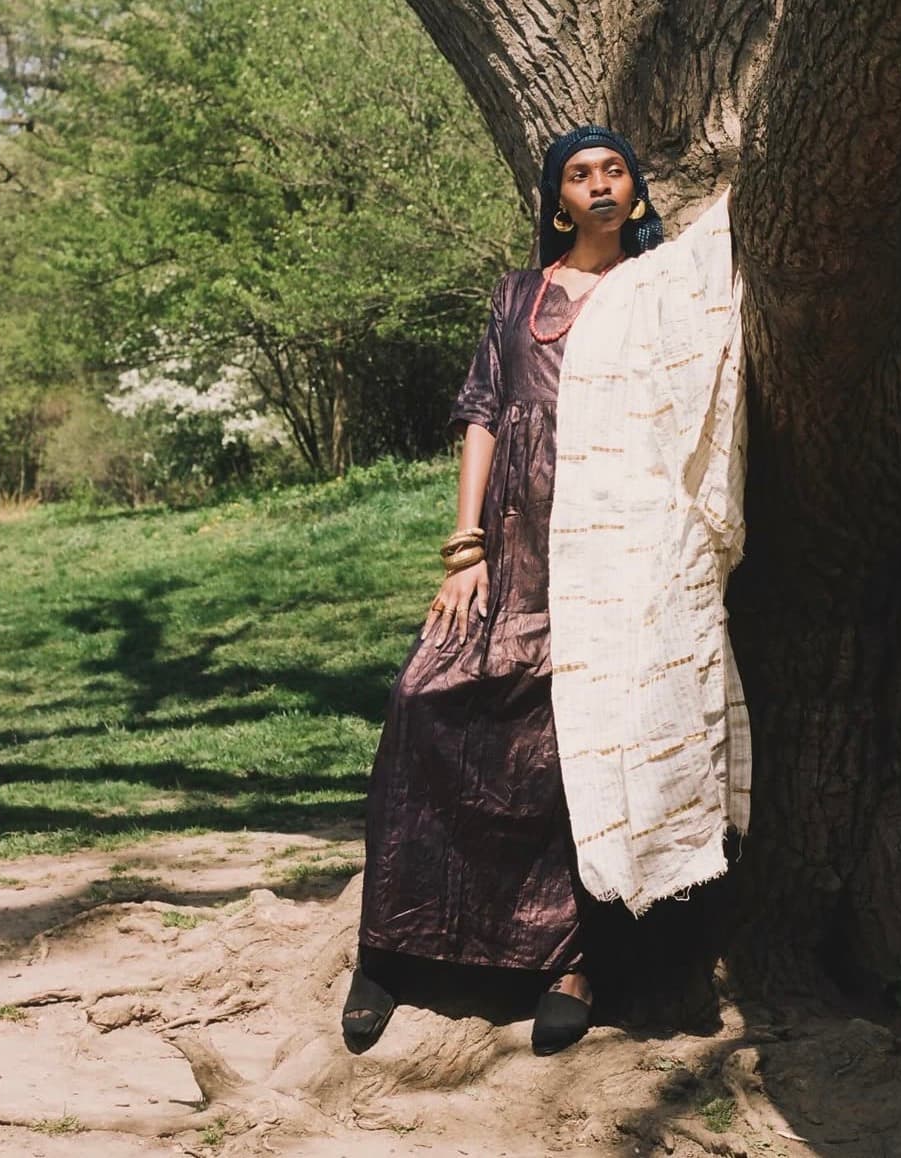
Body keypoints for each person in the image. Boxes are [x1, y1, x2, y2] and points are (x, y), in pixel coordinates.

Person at [342, 125, 750, 1057]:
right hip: (512, 544)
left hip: (614, 552)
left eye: (614, 172)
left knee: (581, 744)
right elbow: (483, 413)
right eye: (580, 174)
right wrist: (465, 546)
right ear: (556, 197)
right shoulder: (520, 295)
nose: (599, 185)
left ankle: (569, 964)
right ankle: (388, 951)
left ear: (635, 192)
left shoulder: (655, 294)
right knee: (422, 702)